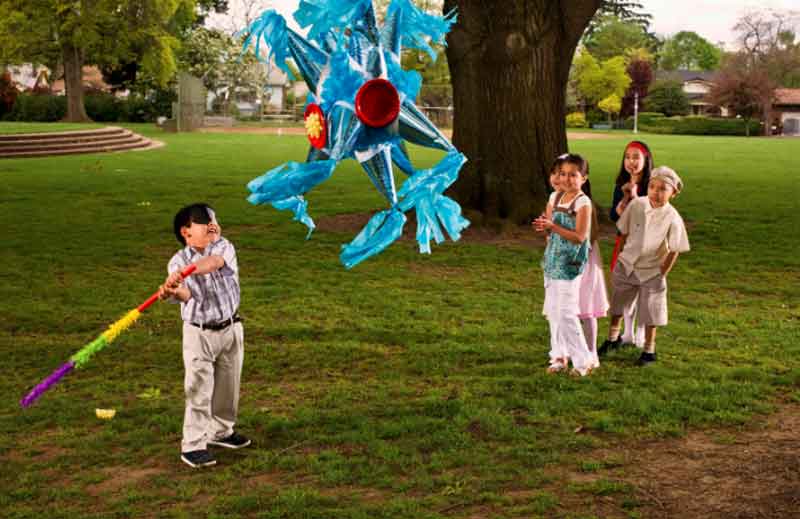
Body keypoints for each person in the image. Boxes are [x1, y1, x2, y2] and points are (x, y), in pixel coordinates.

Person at [159, 203, 249, 468]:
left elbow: (212, 263)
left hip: (231, 328)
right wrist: (173, 291)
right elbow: (187, 296)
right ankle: (194, 445)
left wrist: (187, 273)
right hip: (200, 334)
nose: (212, 225)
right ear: (186, 232)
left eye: (213, 219)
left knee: (228, 387)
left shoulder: (223, 246)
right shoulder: (176, 262)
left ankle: (221, 431)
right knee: (199, 389)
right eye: (203, 221)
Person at [599, 167, 690, 366]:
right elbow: (622, 231)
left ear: (673, 193)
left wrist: (662, 272)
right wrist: (623, 255)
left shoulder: (673, 217)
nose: (656, 193)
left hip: (652, 270)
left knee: (651, 309)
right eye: (652, 187)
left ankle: (649, 350)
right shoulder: (637, 205)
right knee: (618, 302)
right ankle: (613, 338)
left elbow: (674, 249)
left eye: (663, 189)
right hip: (627, 264)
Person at [534, 154, 594, 376]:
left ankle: (583, 361)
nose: (567, 179)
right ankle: (558, 356)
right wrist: (544, 227)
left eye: (573, 175)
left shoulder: (582, 202)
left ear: (583, 178)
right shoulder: (554, 197)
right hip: (552, 260)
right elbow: (550, 229)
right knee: (553, 311)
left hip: (570, 263)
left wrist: (553, 226)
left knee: (566, 312)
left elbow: (580, 236)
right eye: (563, 174)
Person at [609, 141, 653, 347]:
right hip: (625, 242)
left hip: (645, 246)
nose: (631, 162)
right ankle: (627, 332)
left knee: (644, 289)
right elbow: (613, 215)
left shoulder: (652, 186)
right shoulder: (621, 185)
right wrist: (623, 200)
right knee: (625, 289)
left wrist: (635, 197)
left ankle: (641, 332)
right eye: (627, 157)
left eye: (636, 157)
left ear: (646, 160)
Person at [576, 158, 609, 367]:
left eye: (573, 175)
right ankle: (574, 350)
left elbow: (587, 236)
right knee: (569, 309)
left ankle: (591, 352)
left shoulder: (584, 203)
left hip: (583, 261)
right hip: (564, 262)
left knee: (586, 307)